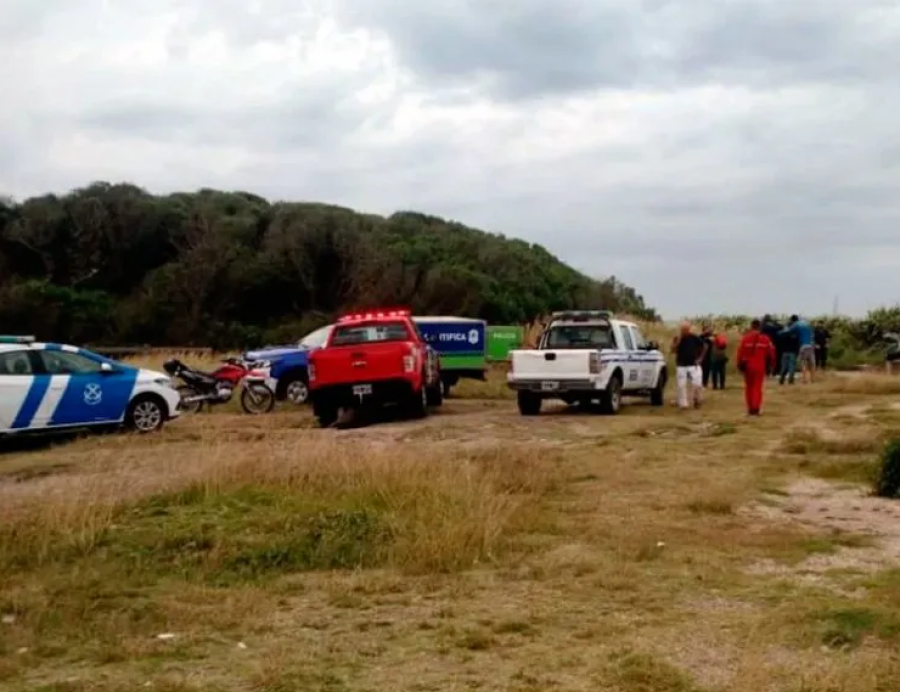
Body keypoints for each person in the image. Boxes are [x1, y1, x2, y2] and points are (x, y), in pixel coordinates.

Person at [737, 319, 776, 416]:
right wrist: (772, 365)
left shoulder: (745, 339)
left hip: (747, 366)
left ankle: (750, 409)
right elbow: (772, 353)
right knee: (757, 387)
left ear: (751, 326)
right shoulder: (765, 339)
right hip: (759, 366)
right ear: (760, 327)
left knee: (749, 387)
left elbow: (740, 353)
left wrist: (739, 366)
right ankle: (756, 409)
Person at [671, 321, 707, 409]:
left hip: (693, 364)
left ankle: (696, 398)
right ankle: (683, 404)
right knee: (681, 385)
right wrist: (679, 340)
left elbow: (705, 346)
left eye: (686, 330)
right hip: (681, 364)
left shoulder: (694, 337)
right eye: (683, 330)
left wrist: (700, 358)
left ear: (689, 329)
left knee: (697, 383)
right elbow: (673, 350)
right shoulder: (677, 338)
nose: (685, 331)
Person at [780, 315, 815, 383]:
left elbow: (787, 331)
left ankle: (804, 380)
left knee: (803, 363)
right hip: (811, 345)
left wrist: (780, 333)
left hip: (803, 345)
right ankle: (813, 379)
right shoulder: (807, 324)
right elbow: (812, 334)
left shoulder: (796, 324)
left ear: (792, 320)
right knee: (811, 364)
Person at [699, 323, 714, 387]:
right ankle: (702, 382)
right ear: (704, 330)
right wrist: (707, 339)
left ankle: (705, 383)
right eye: (707, 329)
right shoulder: (701, 336)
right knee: (702, 369)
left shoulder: (711, 335)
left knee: (707, 369)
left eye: (709, 329)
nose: (709, 330)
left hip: (710, 354)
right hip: (702, 355)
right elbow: (700, 341)